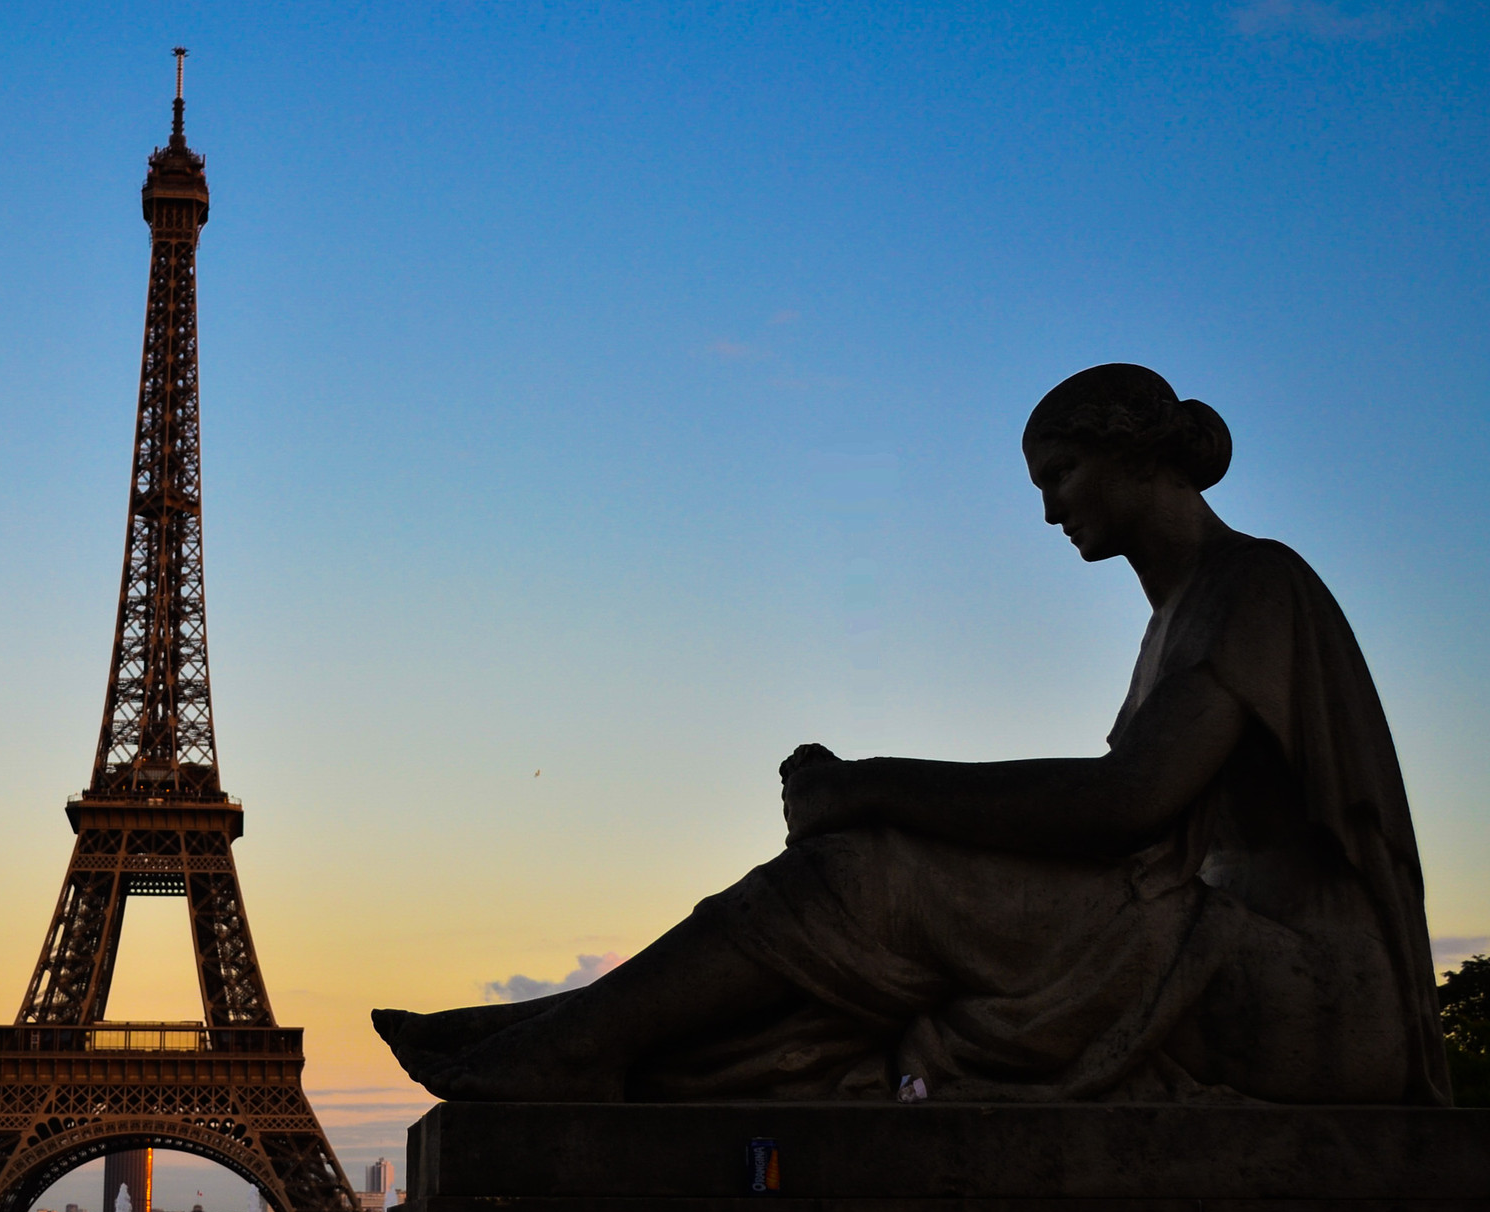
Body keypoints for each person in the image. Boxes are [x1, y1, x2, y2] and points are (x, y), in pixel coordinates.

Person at [376, 363, 1450, 1107]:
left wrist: (877, 786)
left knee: (866, 876)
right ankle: (581, 1033)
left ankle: (576, 1040)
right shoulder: (1187, 612)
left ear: (1133, 459)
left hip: (1302, 990)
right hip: (1219, 949)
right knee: (873, 917)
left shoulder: (1249, 585)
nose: (1046, 513)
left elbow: (1128, 802)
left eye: (1058, 477)